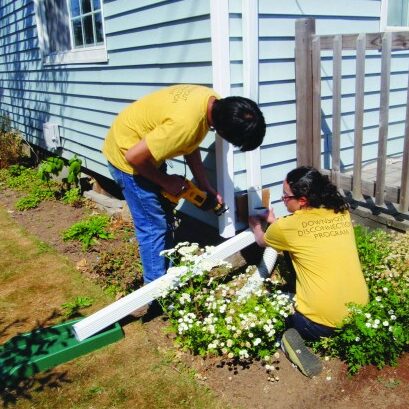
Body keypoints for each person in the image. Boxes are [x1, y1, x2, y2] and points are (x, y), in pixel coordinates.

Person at [103, 84, 266, 288]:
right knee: (153, 227)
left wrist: (204, 184)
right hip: (127, 155)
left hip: (143, 146)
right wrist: (165, 181)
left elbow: (190, 143)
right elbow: (134, 157)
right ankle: (156, 293)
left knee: (163, 220)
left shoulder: (212, 100)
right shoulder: (184, 125)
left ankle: (165, 273)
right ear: (223, 131)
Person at [248, 166, 368, 377]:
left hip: (319, 324)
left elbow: (262, 241)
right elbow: (304, 233)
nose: (282, 199)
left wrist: (255, 225)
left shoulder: (286, 227)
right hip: (359, 312)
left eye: (285, 196)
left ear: (302, 201)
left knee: (271, 305)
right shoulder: (340, 211)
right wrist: (276, 223)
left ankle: (287, 339)